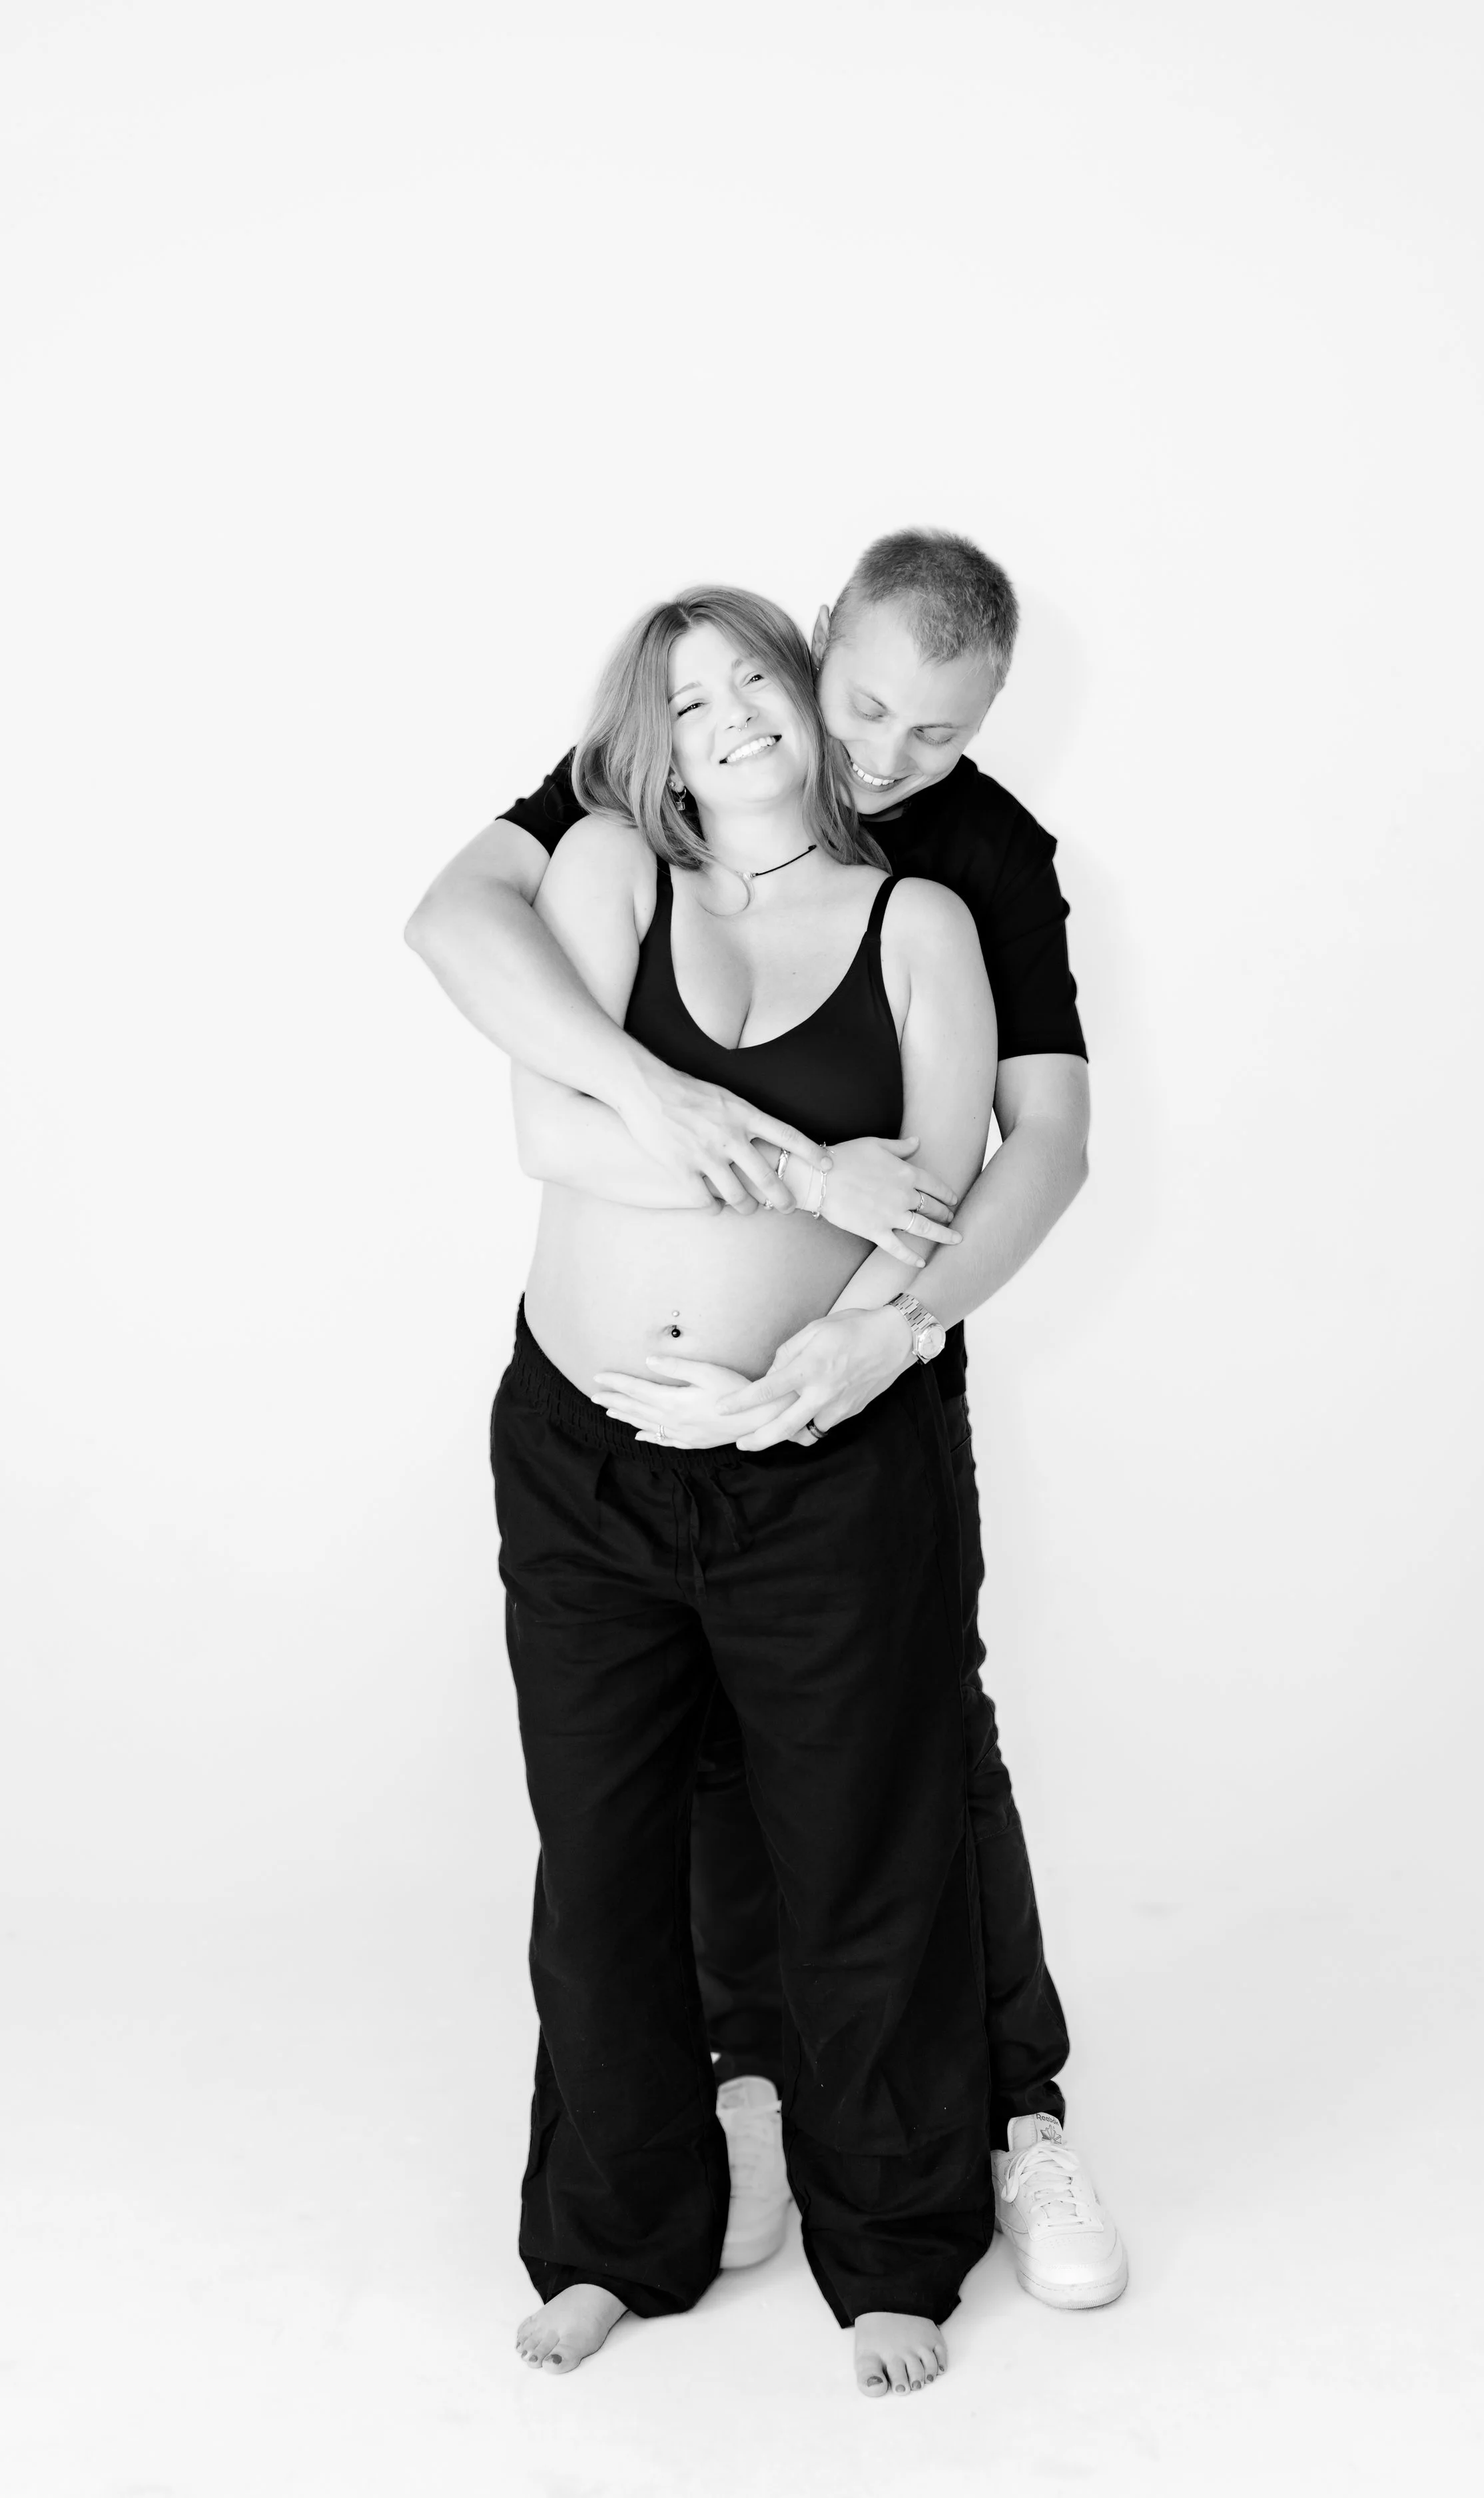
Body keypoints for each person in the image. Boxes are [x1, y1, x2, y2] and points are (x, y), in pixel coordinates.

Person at [406, 530, 1127, 2315]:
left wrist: (886, 1330)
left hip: (851, 1403)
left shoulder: (970, 867)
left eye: (937, 732)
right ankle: (725, 2106)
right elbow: (460, 932)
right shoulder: (653, 801)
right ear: (814, 656)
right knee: (651, 1810)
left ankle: (1002, 2123)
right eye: (861, 704)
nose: (885, 755)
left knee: (908, 1770)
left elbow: (1033, 1146)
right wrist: (722, 1128)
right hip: (593, 1441)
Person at [486, 585, 1000, 2395]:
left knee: (858, 1854)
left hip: (817, 1460)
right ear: (657, 740)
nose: (729, 715)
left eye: (752, 676)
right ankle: (613, 2237)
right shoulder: (613, 874)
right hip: (586, 1454)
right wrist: (809, 1168)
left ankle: (896, 2246)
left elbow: (938, 1181)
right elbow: (550, 1126)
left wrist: (816, 1366)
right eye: (685, 698)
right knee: (601, 1860)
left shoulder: (920, 919)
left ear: (807, 685)